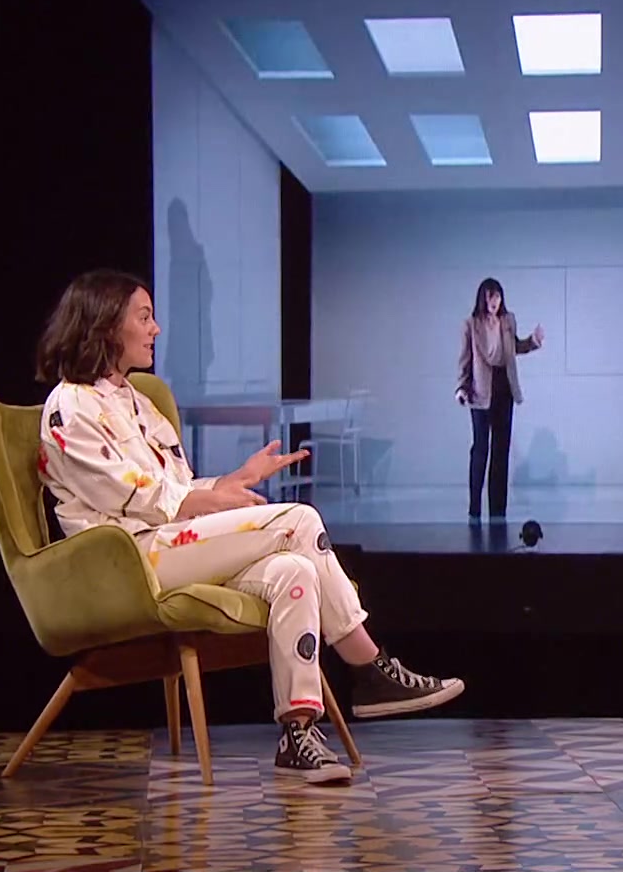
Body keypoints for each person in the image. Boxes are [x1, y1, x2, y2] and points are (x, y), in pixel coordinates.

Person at [34, 270, 465, 786]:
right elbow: (132, 496)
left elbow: (176, 487)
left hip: (169, 545)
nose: (155, 329)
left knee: (293, 571)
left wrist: (232, 481)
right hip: (126, 559)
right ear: (106, 325)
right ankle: (369, 668)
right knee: (299, 518)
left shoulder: (139, 404)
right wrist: (209, 499)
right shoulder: (69, 406)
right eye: (144, 317)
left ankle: (298, 733)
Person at [455, 277, 543, 520]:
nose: (493, 302)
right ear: (482, 299)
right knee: (480, 449)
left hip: (504, 388)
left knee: (501, 450)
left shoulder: (508, 320)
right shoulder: (471, 325)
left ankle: (498, 509)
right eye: (489, 297)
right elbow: (465, 359)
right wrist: (461, 387)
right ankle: (474, 507)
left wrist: (533, 342)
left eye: (497, 296)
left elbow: (514, 348)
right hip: (480, 391)